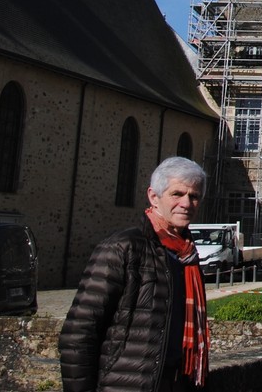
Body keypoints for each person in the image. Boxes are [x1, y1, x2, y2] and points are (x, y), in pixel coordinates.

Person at [60, 157, 211, 392]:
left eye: (194, 196)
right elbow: (78, 333)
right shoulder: (123, 248)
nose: (186, 203)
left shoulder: (187, 257)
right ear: (154, 196)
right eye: (177, 194)